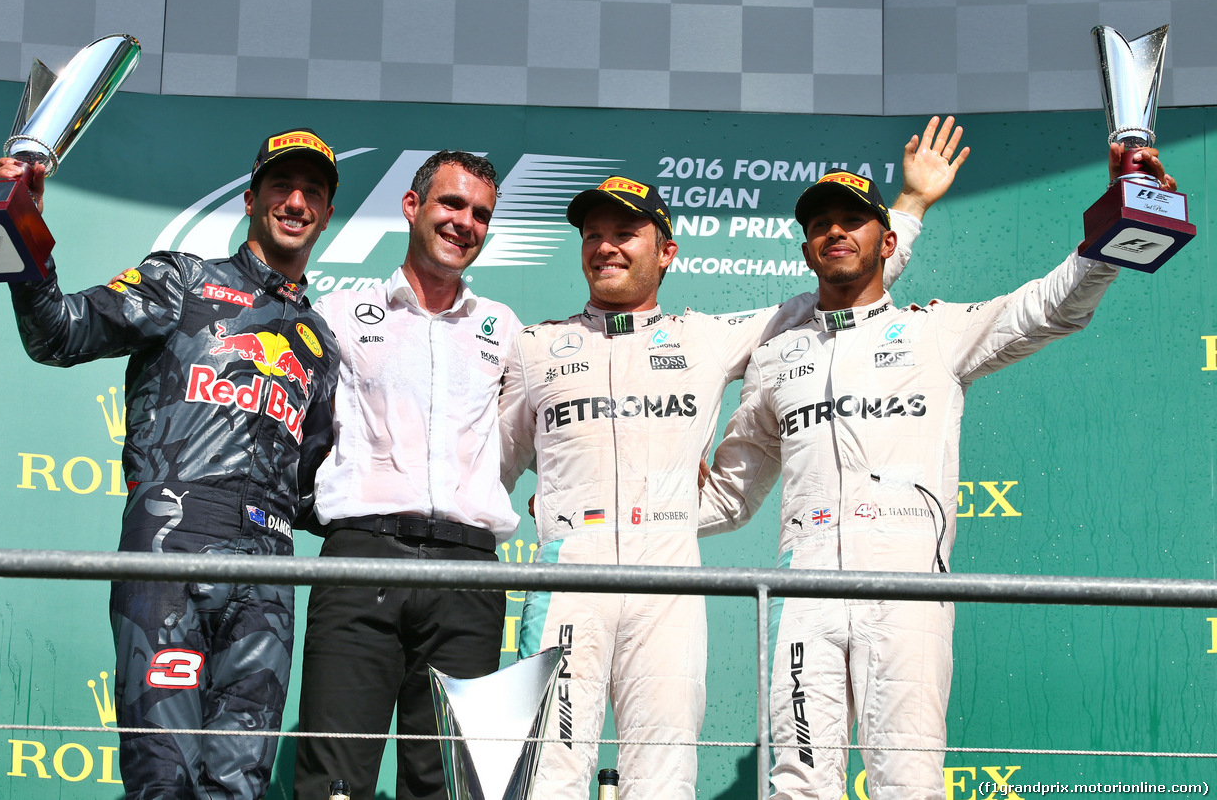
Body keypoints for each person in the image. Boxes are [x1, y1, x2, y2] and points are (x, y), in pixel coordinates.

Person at [497, 118, 968, 799]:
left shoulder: (707, 338)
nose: (605, 245)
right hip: (567, 572)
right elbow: (487, 471)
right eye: (593, 233)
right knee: (547, 778)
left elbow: (845, 287)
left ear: (666, 252)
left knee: (661, 782)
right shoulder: (534, 347)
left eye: (625, 232)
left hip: (668, 581)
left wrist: (912, 208)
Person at [698, 145, 1177, 799]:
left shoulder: (935, 334)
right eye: (819, 224)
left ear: (886, 240)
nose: (834, 231)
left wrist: (1119, 231)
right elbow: (728, 494)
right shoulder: (777, 354)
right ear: (807, 249)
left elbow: (1051, 307)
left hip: (908, 588)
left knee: (908, 783)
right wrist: (625, 509)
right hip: (803, 590)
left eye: (852, 220)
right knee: (799, 785)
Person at [0, 128, 342, 799]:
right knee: (165, 779)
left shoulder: (321, 343)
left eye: (313, 193)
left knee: (238, 787)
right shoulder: (184, 281)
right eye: (281, 186)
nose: (296, 201)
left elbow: (317, 489)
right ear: (250, 200)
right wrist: (22, 226)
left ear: (326, 214)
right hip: (171, 555)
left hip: (270, 576)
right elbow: (58, 331)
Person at [294, 150, 522, 800]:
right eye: (451, 204)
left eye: (480, 213)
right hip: (361, 558)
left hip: (469, 574)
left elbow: (525, 441)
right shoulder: (339, 313)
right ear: (413, 206)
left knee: (449, 787)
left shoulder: (502, 329)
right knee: (333, 781)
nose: (465, 222)